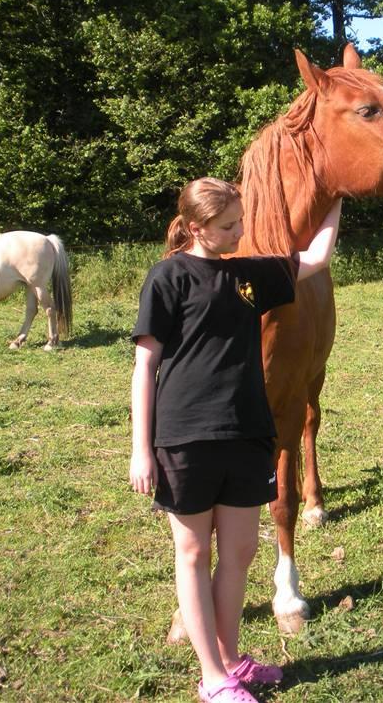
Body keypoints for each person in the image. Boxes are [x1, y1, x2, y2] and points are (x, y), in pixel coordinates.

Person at [129, 177, 342, 703]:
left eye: (242, 222)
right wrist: (141, 448)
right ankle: (213, 678)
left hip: (247, 433)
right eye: (228, 226)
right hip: (186, 438)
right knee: (194, 551)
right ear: (197, 228)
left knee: (242, 550)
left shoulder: (249, 276)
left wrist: (335, 200)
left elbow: (313, 257)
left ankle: (231, 658)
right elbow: (144, 365)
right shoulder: (167, 278)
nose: (240, 232)